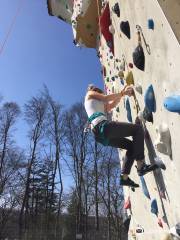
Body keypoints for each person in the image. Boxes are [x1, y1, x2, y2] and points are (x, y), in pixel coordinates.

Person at [84, 84, 161, 188]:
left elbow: (112, 104)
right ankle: (141, 165)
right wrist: (122, 93)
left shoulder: (100, 104)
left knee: (131, 146)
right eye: (100, 93)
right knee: (137, 130)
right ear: (96, 91)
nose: (101, 96)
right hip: (102, 127)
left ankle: (124, 178)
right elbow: (107, 98)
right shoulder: (89, 94)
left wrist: (122, 93)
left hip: (101, 136)